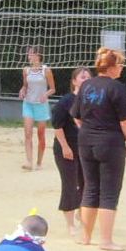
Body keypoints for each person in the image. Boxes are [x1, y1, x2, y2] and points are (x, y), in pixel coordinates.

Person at [74, 47, 126, 251]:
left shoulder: (86, 85)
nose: (122, 68)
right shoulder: (117, 88)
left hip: (85, 141)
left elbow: (76, 116)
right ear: (111, 67)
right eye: (120, 64)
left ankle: (85, 237)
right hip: (110, 143)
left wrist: (90, 131)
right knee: (109, 192)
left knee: (90, 188)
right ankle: (106, 241)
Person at [49, 68, 91, 240]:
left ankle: (82, 214)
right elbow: (57, 126)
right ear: (74, 81)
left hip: (85, 148)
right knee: (70, 185)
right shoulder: (66, 101)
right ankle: (70, 224)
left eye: (89, 77)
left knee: (86, 183)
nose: (86, 79)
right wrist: (65, 147)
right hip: (66, 148)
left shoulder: (92, 101)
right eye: (83, 77)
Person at [19, 47, 56, 171]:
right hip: (28, 104)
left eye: (31, 54)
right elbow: (25, 86)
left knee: (41, 135)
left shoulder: (46, 70)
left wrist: (45, 95)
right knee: (28, 134)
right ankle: (29, 162)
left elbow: (53, 89)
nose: (29, 56)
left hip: (41, 105)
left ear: (38, 56)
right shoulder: (26, 70)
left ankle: (39, 162)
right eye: (28, 54)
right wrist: (22, 90)